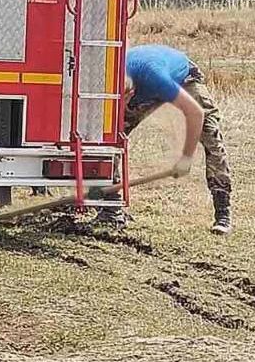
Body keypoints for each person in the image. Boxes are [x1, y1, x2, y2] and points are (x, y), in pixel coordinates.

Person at [99, 44, 232, 234]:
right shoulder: (109, 75)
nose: (125, 107)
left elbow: (195, 113)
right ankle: (111, 208)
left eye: (126, 101)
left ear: (131, 93)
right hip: (142, 83)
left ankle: (222, 212)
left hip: (183, 79)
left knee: (211, 135)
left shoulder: (154, 77)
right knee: (109, 138)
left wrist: (186, 158)